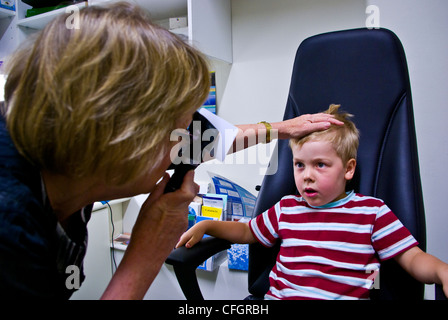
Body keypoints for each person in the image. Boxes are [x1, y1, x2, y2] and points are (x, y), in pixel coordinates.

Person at [0, 2, 341, 300]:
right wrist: (145, 255)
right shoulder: (11, 231)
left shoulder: (67, 143)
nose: (190, 142)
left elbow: (217, 137)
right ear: (125, 143)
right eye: (181, 130)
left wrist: (284, 129)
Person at [177, 104, 448, 300]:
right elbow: (248, 231)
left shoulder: (372, 213)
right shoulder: (287, 209)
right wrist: (209, 226)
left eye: (320, 165)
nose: (307, 176)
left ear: (349, 169)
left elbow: (412, 258)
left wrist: (441, 271)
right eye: (299, 165)